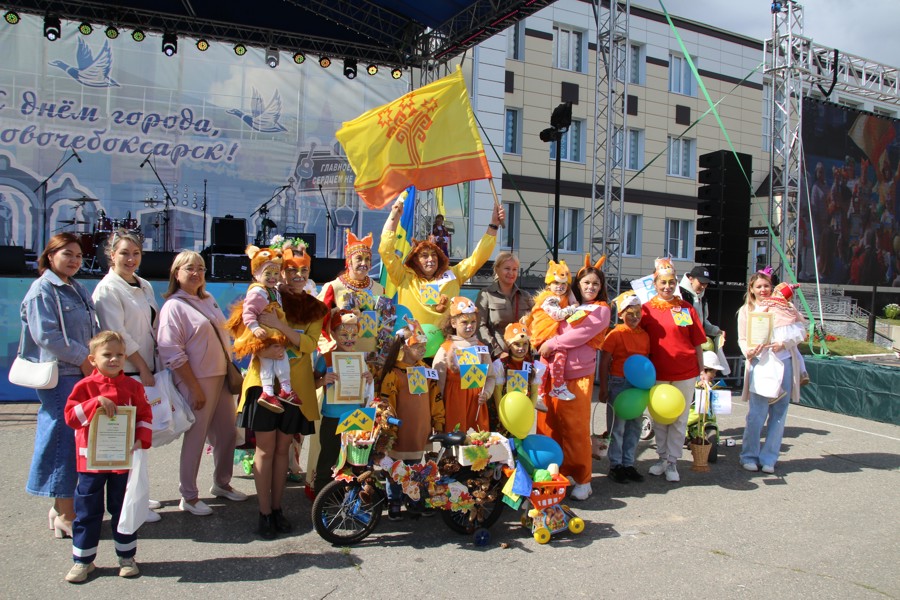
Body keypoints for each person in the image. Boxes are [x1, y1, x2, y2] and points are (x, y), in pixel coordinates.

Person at [236, 242, 329, 538]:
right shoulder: (264, 295)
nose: (298, 275)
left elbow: (310, 345)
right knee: (264, 449)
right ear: (281, 271)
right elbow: (242, 335)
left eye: (304, 271)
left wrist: (281, 328)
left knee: (282, 449)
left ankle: (277, 508)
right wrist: (265, 342)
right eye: (292, 270)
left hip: (294, 389)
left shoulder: (316, 309)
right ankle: (264, 513)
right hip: (264, 385)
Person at [19, 232, 99, 538]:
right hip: (61, 374)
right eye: (67, 254)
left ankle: (61, 506)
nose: (74, 261)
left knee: (74, 440)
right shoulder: (43, 290)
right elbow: (47, 336)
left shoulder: (75, 288)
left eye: (78, 256)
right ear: (50, 256)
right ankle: (66, 512)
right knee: (62, 440)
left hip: (79, 373)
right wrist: (83, 359)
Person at [157, 251, 247, 516]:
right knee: (196, 437)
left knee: (228, 434)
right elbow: (171, 351)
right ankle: (189, 495)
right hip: (197, 379)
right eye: (189, 268)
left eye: (201, 268)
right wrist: (193, 387)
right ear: (176, 273)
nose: (196, 273)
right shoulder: (174, 306)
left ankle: (222, 483)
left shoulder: (207, 299)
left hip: (220, 377)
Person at [62, 331, 152, 583]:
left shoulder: (133, 386)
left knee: (121, 509)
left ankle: (126, 556)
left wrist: (140, 440)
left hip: (122, 462)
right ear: (92, 359)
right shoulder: (84, 387)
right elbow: (71, 417)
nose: (114, 359)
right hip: (91, 462)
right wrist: (95, 403)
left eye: (119, 355)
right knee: (87, 511)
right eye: (107, 355)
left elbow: (145, 415)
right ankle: (83, 561)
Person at [92, 229, 162, 523]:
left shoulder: (143, 285)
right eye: (124, 253)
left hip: (146, 369)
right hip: (128, 374)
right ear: (111, 255)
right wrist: (143, 367)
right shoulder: (107, 290)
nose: (130, 259)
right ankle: (128, 507)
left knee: (140, 440)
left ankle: (138, 495)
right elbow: (117, 336)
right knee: (126, 443)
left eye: (135, 253)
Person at [536, 258, 611, 500]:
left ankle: (583, 478)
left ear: (601, 287)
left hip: (578, 376)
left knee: (575, 429)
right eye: (586, 282)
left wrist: (551, 343)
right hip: (552, 375)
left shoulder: (601, 309)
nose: (590, 287)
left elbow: (578, 335)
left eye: (595, 284)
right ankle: (561, 471)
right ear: (578, 284)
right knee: (551, 426)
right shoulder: (568, 303)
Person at [380, 196, 503, 329]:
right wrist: (394, 218)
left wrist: (494, 225)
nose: (431, 259)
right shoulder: (404, 276)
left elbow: (477, 258)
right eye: (425, 256)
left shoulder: (453, 275)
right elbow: (386, 251)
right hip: (412, 345)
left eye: (434, 255)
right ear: (415, 260)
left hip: (445, 346)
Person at [641, 258, 706, 483]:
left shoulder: (686, 308)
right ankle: (661, 458)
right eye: (663, 283)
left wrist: (702, 370)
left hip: (686, 372)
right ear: (655, 283)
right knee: (659, 418)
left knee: (679, 419)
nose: (667, 287)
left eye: (671, 282)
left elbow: (697, 341)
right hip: (657, 373)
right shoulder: (646, 310)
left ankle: (672, 462)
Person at [737, 274, 807, 474]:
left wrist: (784, 343)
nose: (763, 290)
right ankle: (749, 456)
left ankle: (769, 458)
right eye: (758, 286)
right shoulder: (747, 310)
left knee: (779, 413)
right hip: (761, 363)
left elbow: (800, 332)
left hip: (783, 362)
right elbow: (742, 338)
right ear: (751, 289)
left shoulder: (786, 307)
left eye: (766, 286)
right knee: (757, 414)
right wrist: (747, 351)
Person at [377, 317, 444, 520]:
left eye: (425, 346)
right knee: (396, 467)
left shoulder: (426, 370)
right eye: (419, 346)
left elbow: (436, 398)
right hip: (400, 430)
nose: (423, 350)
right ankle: (394, 500)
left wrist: (438, 422)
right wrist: (389, 429)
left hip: (420, 429)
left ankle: (415, 499)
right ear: (406, 347)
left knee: (416, 466)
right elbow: (388, 403)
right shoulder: (394, 373)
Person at [226, 245, 298, 414]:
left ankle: (285, 389)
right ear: (257, 274)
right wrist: (255, 328)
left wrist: (281, 287)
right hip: (264, 334)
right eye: (268, 274)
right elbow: (248, 312)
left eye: (275, 274)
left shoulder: (270, 289)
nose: (273, 278)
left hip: (273, 333)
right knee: (268, 362)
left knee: (281, 358)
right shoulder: (257, 292)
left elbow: (274, 289)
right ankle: (268, 392)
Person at [311, 309, 375, 495]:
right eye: (344, 334)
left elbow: (365, 389)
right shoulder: (326, 357)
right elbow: (312, 381)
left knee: (351, 458)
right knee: (329, 456)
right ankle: (321, 495)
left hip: (354, 416)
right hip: (332, 417)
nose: (349, 338)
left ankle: (345, 494)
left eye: (354, 334)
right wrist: (323, 380)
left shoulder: (360, 357)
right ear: (333, 334)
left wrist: (368, 377)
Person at [599, 291, 650, 485]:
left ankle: (629, 463)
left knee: (635, 426)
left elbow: (646, 361)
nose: (635, 317)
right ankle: (616, 465)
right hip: (619, 383)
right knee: (617, 427)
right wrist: (604, 388)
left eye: (638, 313)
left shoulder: (645, 335)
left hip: (638, 387)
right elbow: (604, 362)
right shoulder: (615, 334)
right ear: (620, 314)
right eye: (630, 313)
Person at [433, 296, 496, 433]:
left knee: (476, 443)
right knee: (456, 439)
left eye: (473, 321)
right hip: (454, 403)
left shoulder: (481, 348)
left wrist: (486, 393)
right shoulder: (446, 348)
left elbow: (490, 376)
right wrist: (439, 408)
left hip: (476, 403)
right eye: (464, 322)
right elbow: (438, 382)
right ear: (453, 323)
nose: (470, 326)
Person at [527, 259, 580, 401]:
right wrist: (572, 308)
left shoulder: (559, 297)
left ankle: (538, 392)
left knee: (545, 362)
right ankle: (558, 386)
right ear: (549, 284)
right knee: (560, 354)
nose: (560, 287)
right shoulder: (549, 299)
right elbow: (558, 315)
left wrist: (571, 295)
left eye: (564, 284)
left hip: (543, 335)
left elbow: (573, 300)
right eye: (556, 283)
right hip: (545, 334)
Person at [475, 251, 534, 358]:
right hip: (496, 357)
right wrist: (497, 352)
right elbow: (480, 327)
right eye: (507, 268)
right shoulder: (486, 294)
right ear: (497, 269)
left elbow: (536, 322)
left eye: (515, 269)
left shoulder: (525, 296)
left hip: (522, 357)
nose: (511, 273)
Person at [679, 265, 729, 376]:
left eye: (705, 284)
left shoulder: (703, 298)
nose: (703, 286)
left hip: (696, 348)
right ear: (691, 279)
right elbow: (682, 324)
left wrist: (716, 331)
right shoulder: (680, 295)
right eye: (701, 283)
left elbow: (702, 323)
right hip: (683, 349)